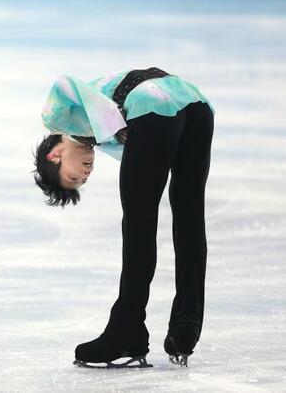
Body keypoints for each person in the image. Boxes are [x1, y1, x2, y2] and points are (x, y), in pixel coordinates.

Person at [32, 67, 215, 369]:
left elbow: (65, 84)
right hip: (195, 105)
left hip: (152, 103)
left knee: (139, 224)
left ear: (55, 156)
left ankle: (127, 332)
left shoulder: (57, 120)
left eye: (74, 175)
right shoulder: (103, 139)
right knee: (189, 215)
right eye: (83, 180)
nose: (86, 174)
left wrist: (113, 124)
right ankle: (186, 326)